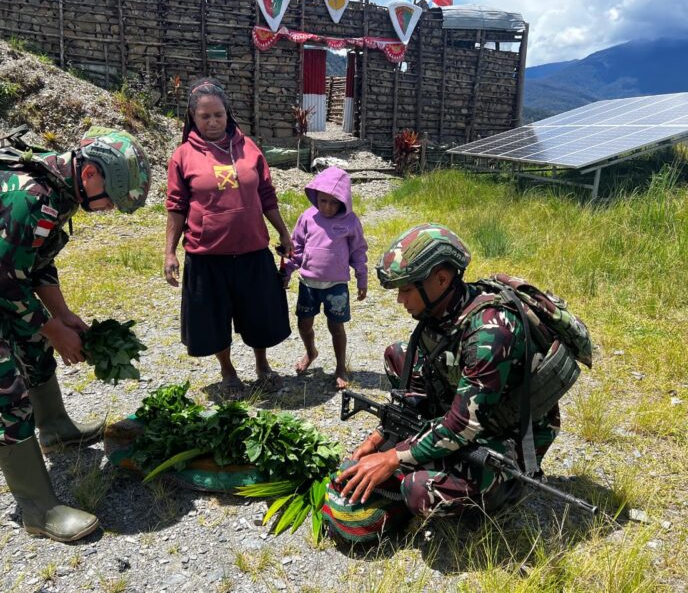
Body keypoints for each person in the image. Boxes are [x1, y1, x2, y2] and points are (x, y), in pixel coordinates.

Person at [0, 127, 152, 542]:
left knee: (31, 341)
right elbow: (3, 286)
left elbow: (33, 263)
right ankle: (38, 509)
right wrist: (54, 330)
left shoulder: (63, 189)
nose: (109, 208)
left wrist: (62, 315)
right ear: (91, 172)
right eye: (111, 198)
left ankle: (54, 428)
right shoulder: (30, 195)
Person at [325, 224, 589, 544]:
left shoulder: (490, 332)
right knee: (398, 354)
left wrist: (392, 458)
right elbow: (417, 393)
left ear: (441, 278)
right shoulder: (440, 315)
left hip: (510, 436)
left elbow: (461, 426)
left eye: (407, 289)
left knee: (417, 490)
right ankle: (425, 453)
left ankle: (504, 490)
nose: (400, 299)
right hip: (473, 414)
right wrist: (382, 435)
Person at [164, 77, 292, 395]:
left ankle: (262, 365)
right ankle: (228, 371)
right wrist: (169, 252)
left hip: (252, 250)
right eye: (205, 116)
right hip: (207, 255)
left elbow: (266, 196)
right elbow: (176, 207)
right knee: (214, 318)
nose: (213, 121)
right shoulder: (183, 156)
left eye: (218, 114)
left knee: (259, 314)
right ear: (192, 118)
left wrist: (284, 233)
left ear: (227, 113)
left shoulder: (248, 148)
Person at [282, 166, 368, 390]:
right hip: (308, 284)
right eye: (322, 201)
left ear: (343, 202)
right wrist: (288, 270)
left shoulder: (350, 222)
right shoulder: (308, 217)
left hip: (336, 286)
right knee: (304, 324)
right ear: (315, 197)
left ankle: (340, 367)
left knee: (336, 327)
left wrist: (362, 278)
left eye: (334, 202)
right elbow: (296, 248)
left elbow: (358, 251)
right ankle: (311, 352)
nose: (327, 207)